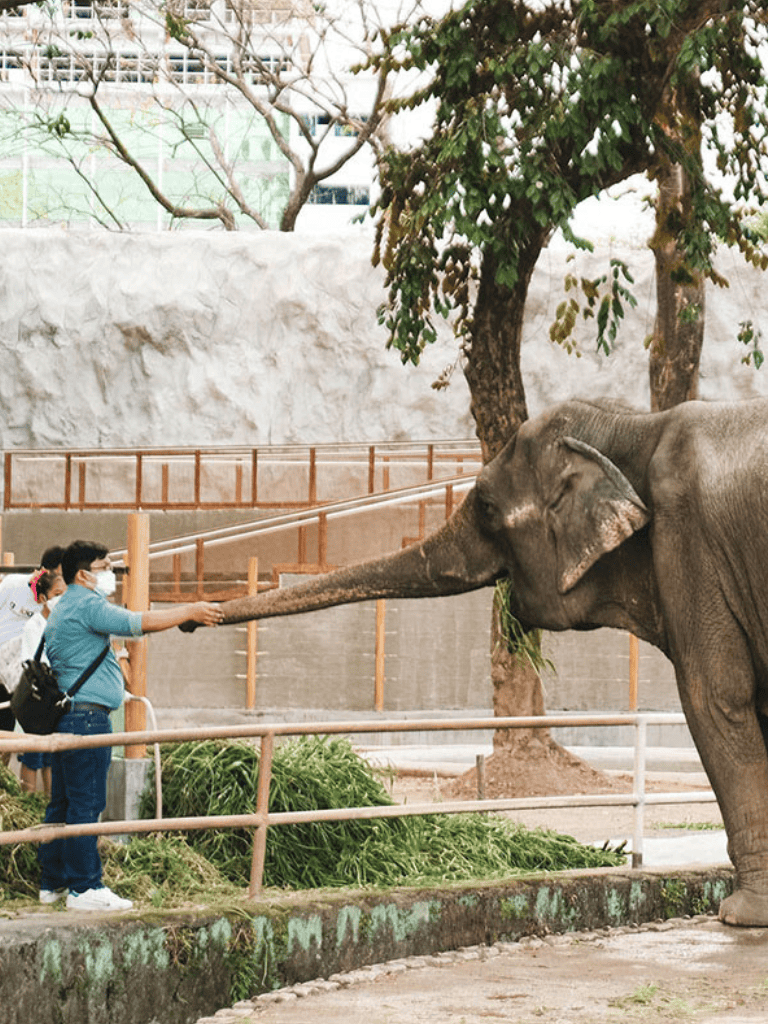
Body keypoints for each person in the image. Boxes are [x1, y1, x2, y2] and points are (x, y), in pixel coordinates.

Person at [37, 540, 223, 912]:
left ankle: (53, 883)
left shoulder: (62, 608)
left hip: (68, 717)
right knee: (86, 804)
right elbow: (137, 623)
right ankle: (84, 887)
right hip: (88, 719)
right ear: (84, 574)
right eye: (104, 567)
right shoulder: (87, 604)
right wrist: (190, 609)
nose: (110, 574)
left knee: (63, 804)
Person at [0, 546, 64, 761]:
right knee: (3, 725)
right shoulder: (13, 584)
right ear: (45, 571)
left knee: (18, 732)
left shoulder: (56, 602)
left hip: (28, 674)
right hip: (3, 666)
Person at [16, 569, 67, 795]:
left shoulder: (62, 624)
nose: (62, 598)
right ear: (44, 598)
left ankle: (48, 803)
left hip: (56, 697)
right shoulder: (33, 626)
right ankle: (27, 799)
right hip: (39, 697)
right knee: (32, 755)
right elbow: (31, 662)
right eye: (58, 593)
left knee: (50, 756)